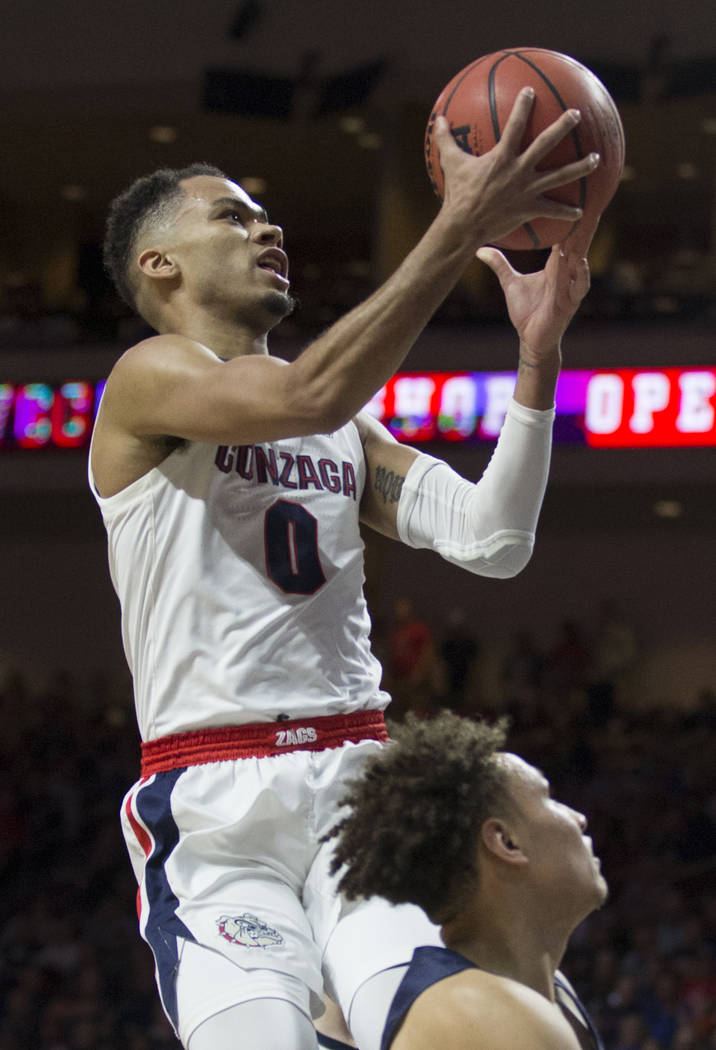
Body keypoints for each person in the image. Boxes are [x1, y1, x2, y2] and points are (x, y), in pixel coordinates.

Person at [90, 89, 599, 1050]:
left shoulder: (345, 433)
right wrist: (456, 225)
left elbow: (495, 542)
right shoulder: (148, 375)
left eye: (264, 214)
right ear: (160, 265)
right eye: (232, 216)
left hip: (359, 781)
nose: (266, 226)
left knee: (440, 1020)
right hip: (214, 800)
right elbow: (308, 390)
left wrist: (540, 362)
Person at [328, 711, 608, 1050]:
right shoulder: (484, 1021)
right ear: (506, 841)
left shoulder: (551, 992)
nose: (579, 818)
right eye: (548, 797)